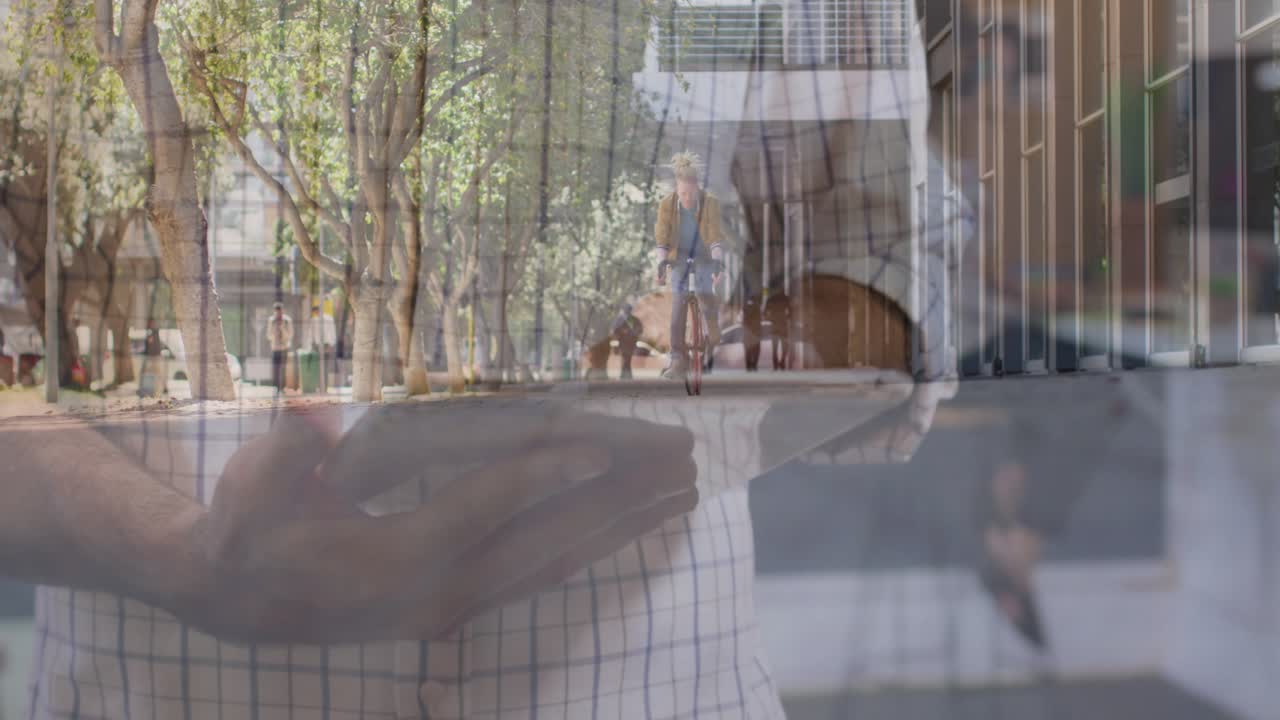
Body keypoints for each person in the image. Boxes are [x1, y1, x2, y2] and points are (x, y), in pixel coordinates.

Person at [654, 152, 724, 380]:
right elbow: (662, 238)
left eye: (690, 193)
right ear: (677, 188)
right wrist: (661, 264)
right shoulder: (667, 204)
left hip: (704, 255)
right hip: (679, 257)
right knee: (678, 303)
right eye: (682, 193)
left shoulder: (710, 203)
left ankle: (711, 331)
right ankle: (677, 359)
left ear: (697, 188)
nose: (686, 198)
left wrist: (717, 263)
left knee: (704, 292)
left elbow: (714, 236)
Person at [609, 302, 643, 379]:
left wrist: (635, 333)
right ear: (623, 310)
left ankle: (626, 375)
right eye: (626, 310)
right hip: (623, 342)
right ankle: (625, 375)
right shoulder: (619, 319)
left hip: (631, 342)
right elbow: (614, 329)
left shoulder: (634, 319)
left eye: (629, 310)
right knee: (625, 358)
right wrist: (622, 332)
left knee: (628, 358)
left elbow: (640, 329)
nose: (628, 311)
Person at [267, 301, 293, 394]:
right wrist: (275, 330)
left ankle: (283, 387)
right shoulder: (271, 320)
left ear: (282, 310)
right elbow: (269, 335)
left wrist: (282, 328)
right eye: (276, 311)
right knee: (276, 368)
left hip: (284, 347)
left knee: (283, 368)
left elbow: (290, 335)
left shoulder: (287, 320)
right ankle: (276, 387)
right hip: (275, 347)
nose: (278, 313)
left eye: (280, 311)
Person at [763, 292, 791, 371]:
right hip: (782, 322)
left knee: (775, 345)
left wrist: (770, 317)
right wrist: (787, 316)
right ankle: (782, 360)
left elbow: (764, 312)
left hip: (775, 322)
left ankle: (776, 362)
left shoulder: (771, 298)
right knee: (784, 344)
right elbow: (791, 311)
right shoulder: (785, 297)